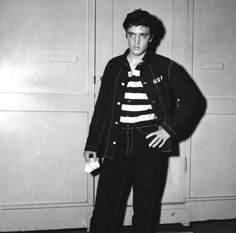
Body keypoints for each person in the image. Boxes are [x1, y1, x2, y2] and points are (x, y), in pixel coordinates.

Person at [84, 9, 205, 233]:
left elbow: (193, 100)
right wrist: (92, 145)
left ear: (151, 37)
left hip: (149, 141)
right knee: (105, 205)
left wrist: (168, 129)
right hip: (115, 140)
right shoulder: (113, 66)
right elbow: (102, 109)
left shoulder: (164, 66)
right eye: (132, 34)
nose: (137, 41)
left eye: (143, 35)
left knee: (145, 206)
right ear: (126, 35)